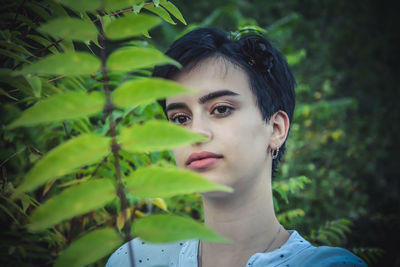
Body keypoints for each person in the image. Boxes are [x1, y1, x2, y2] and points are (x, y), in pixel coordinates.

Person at [106, 28, 367, 267]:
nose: (195, 133)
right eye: (180, 118)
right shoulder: (135, 260)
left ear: (276, 129)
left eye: (221, 109)